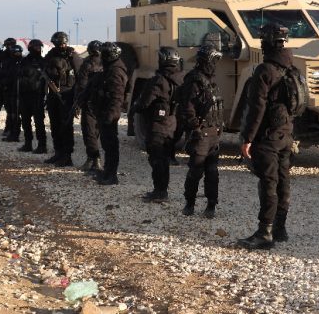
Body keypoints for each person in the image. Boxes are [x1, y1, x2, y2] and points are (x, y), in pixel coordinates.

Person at [238, 23, 295, 250]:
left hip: (268, 136)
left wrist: (247, 138)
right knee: (283, 181)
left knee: (268, 183)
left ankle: (265, 233)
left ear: (267, 43)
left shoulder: (265, 71)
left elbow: (256, 109)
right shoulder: (290, 68)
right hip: (286, 132)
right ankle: (280, 229)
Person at [131, 47, 184, 202]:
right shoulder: (181, 79)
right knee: (164, 159)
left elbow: (144, 102)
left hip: (158, 125)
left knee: (156, 159)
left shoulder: (158, 80)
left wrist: (135, 107)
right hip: (173, 124)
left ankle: (159, 192)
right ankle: (162, 190)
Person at [179, 43, 224, 218]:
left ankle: (211, 205)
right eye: (214, 60)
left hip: (213, 133)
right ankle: (189, 203)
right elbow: (188, 107)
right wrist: (195, 128)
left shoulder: (210, 79)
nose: (215, 64)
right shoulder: (194, 80)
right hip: (201, 133)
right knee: (196, 171)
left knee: (212, 172)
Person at [43, 31, 82, 167]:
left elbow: (80, 77)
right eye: (59, 43)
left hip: (67, 95)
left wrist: (77, 101)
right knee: (55, 125)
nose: (61, 45)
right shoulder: (51, 54)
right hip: (53, 94)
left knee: (65, 126)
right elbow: (44, 70)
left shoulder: (72, 56)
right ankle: (58, 152)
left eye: (63, 43)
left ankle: (67, 156)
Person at [93, 42, 128, 186]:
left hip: (109, 113)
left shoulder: (115, 71)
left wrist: (110, 115)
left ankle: (111, 175)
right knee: (107, 144)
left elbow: (117, 96)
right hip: (104, 111)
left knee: (111, 145)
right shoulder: (109, 68)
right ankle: (107, 171)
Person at [75, 40, 103, 172]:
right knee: (96, 131)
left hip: (90, 102)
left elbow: (81, 85)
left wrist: (78, 103)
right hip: (102, 102)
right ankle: (94, 159)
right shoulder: (107, 63)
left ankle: (93, 159)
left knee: (88, 131)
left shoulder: (87, 63)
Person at [17, 39, 48, 154]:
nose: (38, 49)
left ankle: (42, 145)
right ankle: (28, 143)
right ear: (30, 48)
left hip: (37, 95)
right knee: (25, 121)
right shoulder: (24, 61)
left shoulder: (43, 62)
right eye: (36, 47)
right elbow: (19, 75)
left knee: (39, 122)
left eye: (39, 47)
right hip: (25, 95)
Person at [1, 44, 23, 142]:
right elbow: (4, 76)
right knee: (11, 113)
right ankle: (12, 132)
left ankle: (15, 134)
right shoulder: (7, 63)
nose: (18, 54)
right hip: (10, 91)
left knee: (17, 113)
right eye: (16, 52)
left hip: (21, 92)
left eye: (19, 52)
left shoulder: (24, 62)